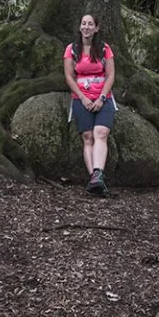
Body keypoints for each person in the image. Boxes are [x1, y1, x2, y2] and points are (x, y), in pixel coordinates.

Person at [63, 12, 116, 196]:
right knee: (88, 137)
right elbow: (69, 76)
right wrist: (83, 98)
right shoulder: (72, 49)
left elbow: (110, 75)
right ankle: (95, 179)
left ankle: (97, 175)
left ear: (96, 28)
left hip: (103, 98)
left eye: (90, 24)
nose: (86, 27)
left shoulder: (104, 49)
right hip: (81, 99)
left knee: (101, 133)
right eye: (83, 23)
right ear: (80, 27)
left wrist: (101, 98)